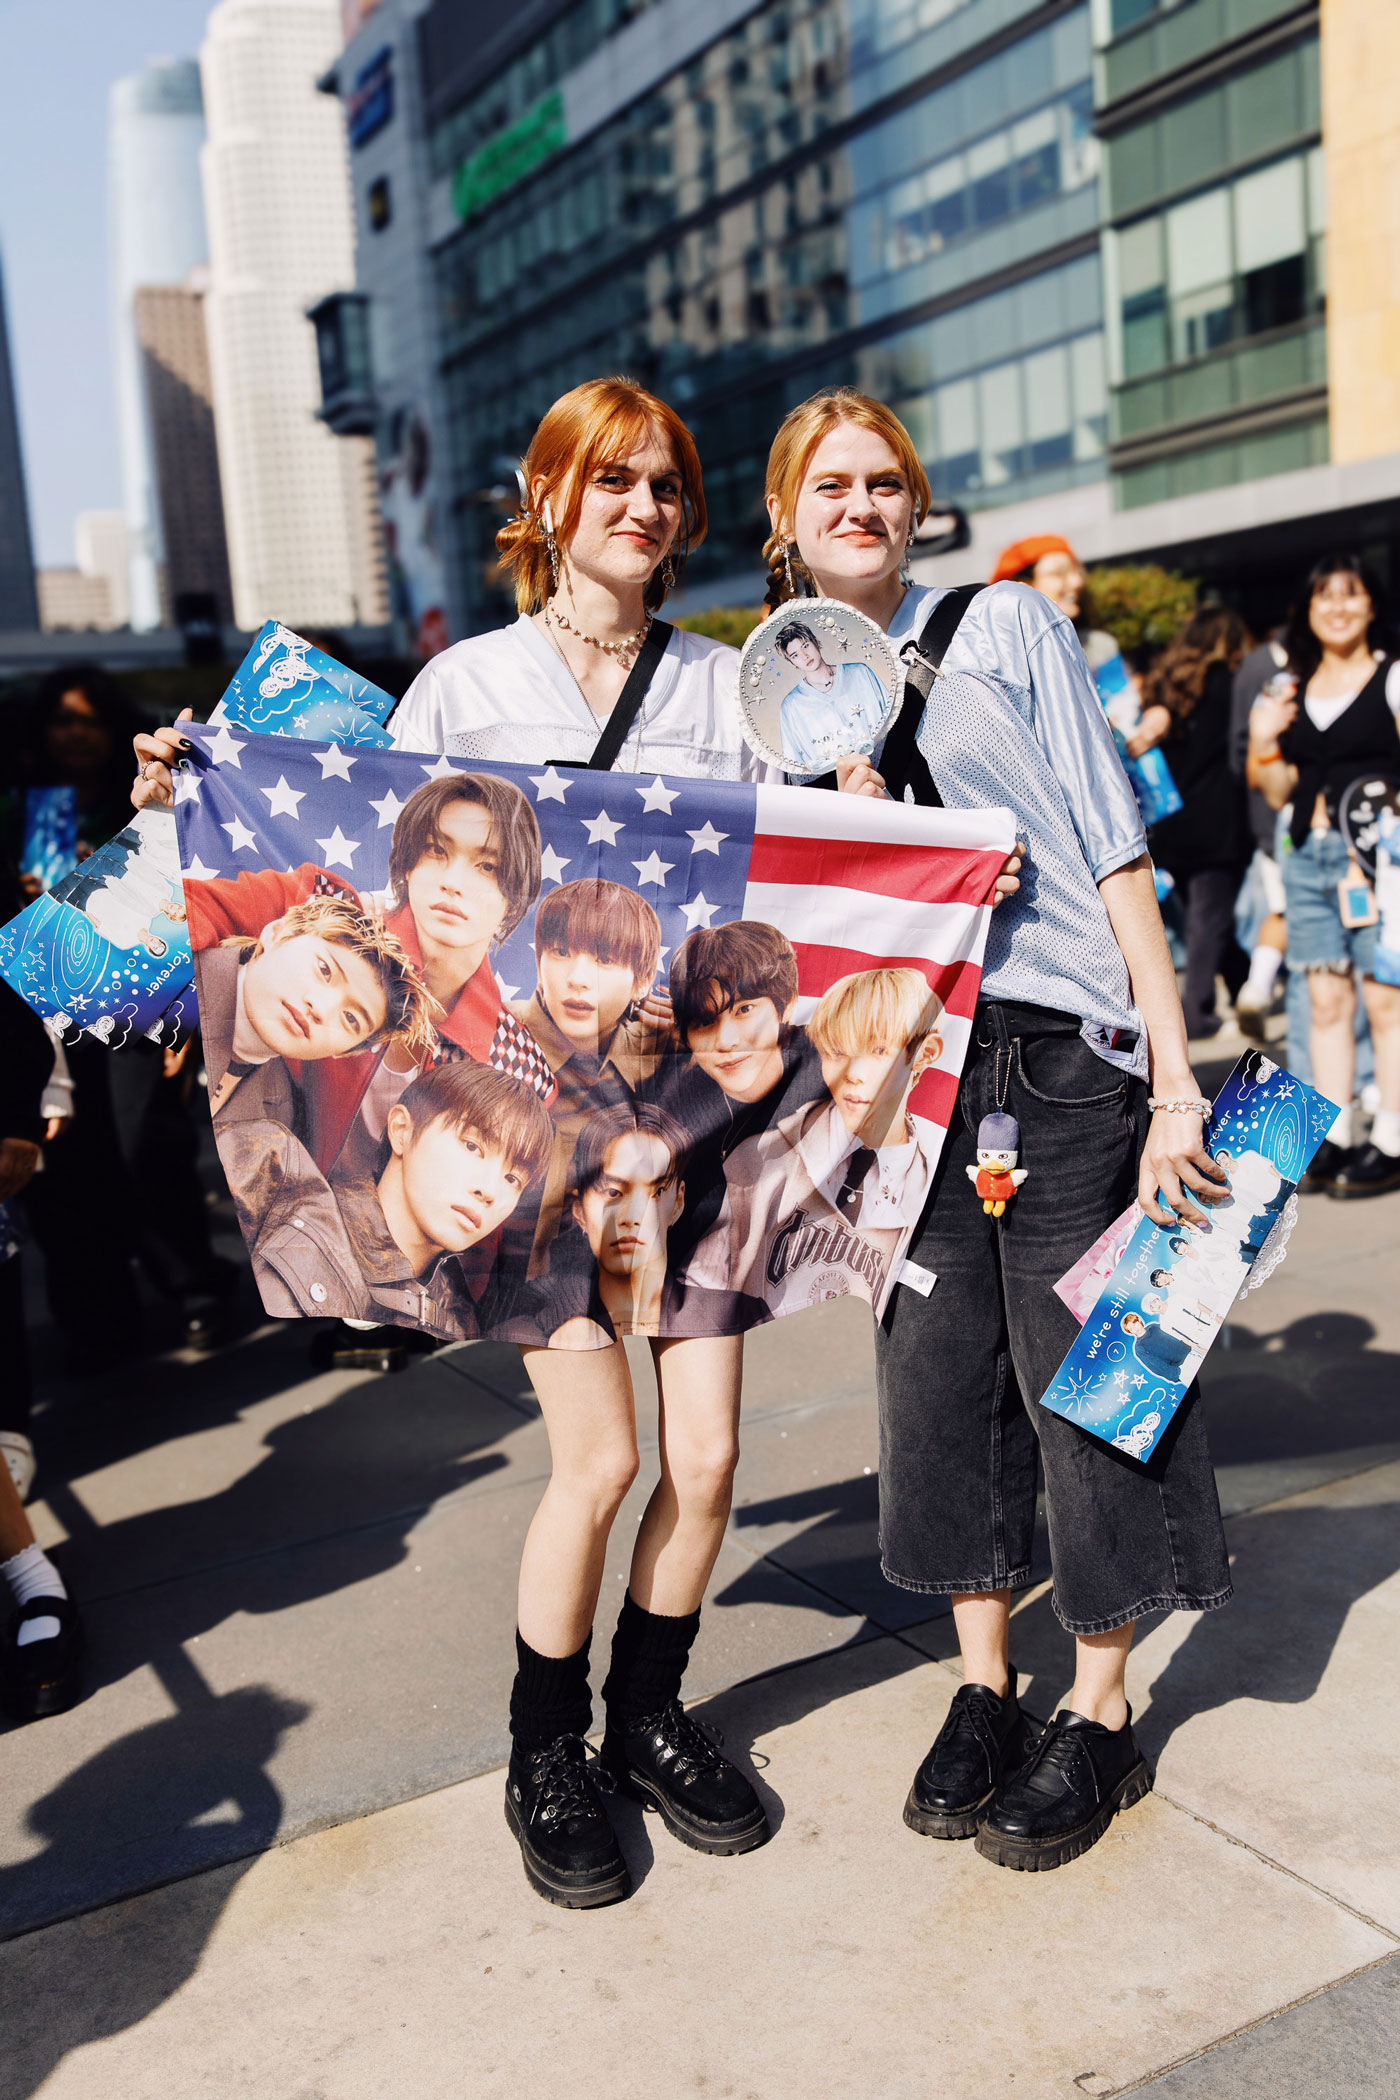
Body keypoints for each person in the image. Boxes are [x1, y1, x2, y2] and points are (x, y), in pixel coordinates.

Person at [132, 375, 775, 1910]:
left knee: (707, 1456)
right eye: (611, 479)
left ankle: (649, 1716)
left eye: (666, 485)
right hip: (534, 1142)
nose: (643, 507)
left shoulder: (725, 685)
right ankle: (543, 1750)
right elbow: (341, 849)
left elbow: (798, 869)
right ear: (547, 499)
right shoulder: (463, 685)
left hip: (689, 1133)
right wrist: (183, 797)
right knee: (601, 1462)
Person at [764, 385, 1231, 1872]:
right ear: (783, 516)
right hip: (902, 1073)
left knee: (1088, 1378)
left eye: (882, 481)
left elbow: (1114, 842)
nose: (859, 504)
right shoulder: (767, 704)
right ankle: (985, 1683)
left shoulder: (1004, 626)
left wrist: (1173, 1076)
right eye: (829, 484)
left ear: (916, 506)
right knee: (936, 1379)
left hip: (1056, 1051)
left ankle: (1099, 1707)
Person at [1247, 553, 1400, 1197]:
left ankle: (1390, 1137)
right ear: (1307, 610)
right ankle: (1333, 1135)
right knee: (1325, 999)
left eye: (1351, 594)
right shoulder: (1288, 686)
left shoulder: (1393, 676)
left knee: (1385, 998)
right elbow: (1276, 787)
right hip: (1307, 854)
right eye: (1324, 596)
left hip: (1380, 860)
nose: (1338, 607)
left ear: (1371, 604)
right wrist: (1262, 740)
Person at [681, 966, 943, 1323]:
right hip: (771, 1344)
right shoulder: (758, 1160)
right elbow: (700, 1288)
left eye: (878, 1050)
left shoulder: (935, 1179)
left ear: (925, 1054)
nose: (853, 1073)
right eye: (836, 1053)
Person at [241, 1061, 553, 1338]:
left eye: (513, 1179)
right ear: (402, 1130)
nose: (490, 1191)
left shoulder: (455, 1324)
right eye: (473, 1146)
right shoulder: (273, 1184)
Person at [507, 877, 666, 1268]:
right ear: (538, 964)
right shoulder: (495, 1034)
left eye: (604, 959)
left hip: (607, 1280)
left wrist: (700, 1028)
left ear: (642, 981)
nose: (577, 978)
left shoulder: (664, 1053)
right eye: (560, 952)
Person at [1128, 608, 1253, 1039]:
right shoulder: (1228, 682)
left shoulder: (1164, 684)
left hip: (1172, 819)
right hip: (1219, 818)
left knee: (1211, 916)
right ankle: (1196, 1011)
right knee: (1208, 918)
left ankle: (1247, 986)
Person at [773, 619, 890, 772]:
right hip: (834, 783)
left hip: (890, 763)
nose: (804, 656)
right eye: (795, 655)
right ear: (791, 662)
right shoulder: (791, 706)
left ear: (815, 642)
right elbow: (794, 763)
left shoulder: (860, 673)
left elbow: (893, 717)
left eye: (806, 646)